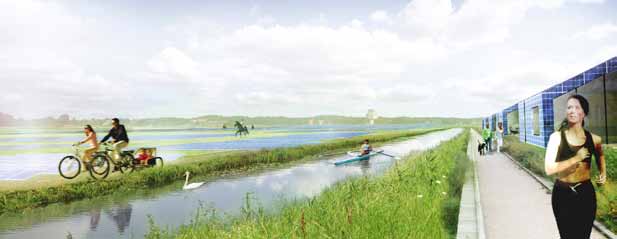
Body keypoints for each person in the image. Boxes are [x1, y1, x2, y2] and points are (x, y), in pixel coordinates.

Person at [544, 94, 607, 239]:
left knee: (584, 236)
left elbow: (600, 156)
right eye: (569, 107)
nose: (571, 111)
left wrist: (603, 173)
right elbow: (549, 168)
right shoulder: (556, 137)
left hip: (586, 193)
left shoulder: (595, 139)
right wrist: (576, 158)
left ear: (584, 113)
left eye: (576, 107)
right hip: (562, 194)